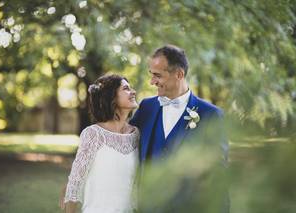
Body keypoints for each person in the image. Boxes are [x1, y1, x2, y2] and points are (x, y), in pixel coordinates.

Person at [130, 45, 229, 212]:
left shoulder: (211, 115)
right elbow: (123, 143)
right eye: (151, 75)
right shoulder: (146, 107)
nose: (152, 82)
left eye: (157, 75)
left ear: (179, 74)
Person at [61, 74, 140, 213]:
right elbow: (75, 185)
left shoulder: (136, 134)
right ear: (112, 97)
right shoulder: (93, 134)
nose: (133, 92)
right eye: (126, 89)